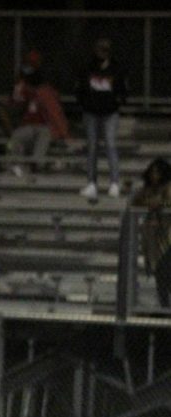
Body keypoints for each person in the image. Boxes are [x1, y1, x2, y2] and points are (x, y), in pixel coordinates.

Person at [76, 38, 128, 201]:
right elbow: (80, 88)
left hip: (109, 113)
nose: (101, 52)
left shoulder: (116, 68)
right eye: (99, 49)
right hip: (91, 112)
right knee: (92, 147)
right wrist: (84, 103)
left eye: (104, 50)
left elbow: (123, 89)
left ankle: (114, 182)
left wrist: (117, 102)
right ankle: (91, 183)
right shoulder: (88, 67)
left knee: (110, 145)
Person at [7, 51, 69, 178]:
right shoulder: (22, 86)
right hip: (26, 125)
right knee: (17, 136)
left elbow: (55, 113)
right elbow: (15, 104)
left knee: (45, 134)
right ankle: (17, 165)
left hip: (43, 126)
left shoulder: (45, 89)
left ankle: (37, 165)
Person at [131, 157, 171, 309]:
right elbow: (135, 201)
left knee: (166, 270)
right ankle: (164, 306)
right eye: (152, 172)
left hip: (167, 235)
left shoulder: (169, 187)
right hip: (152, 236)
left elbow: (166, 202)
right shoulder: (146, 190)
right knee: (159, 273)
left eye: (158, 173)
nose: (155, 176)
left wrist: (157, 203)